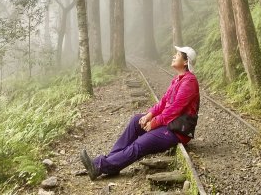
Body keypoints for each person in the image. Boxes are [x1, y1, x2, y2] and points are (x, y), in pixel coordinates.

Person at [80, 45, 199, 180]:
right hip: (168, 123)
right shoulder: (178, 79)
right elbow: (164, 102)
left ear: (185, 62)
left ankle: (100, 166)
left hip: (177, 130)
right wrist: (149, 115)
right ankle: (111, 164)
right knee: (136, 120)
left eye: (177, 55)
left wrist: (154, 122)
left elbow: (175, 109)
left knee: (140, 144)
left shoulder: (190, 81)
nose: (173, 56)